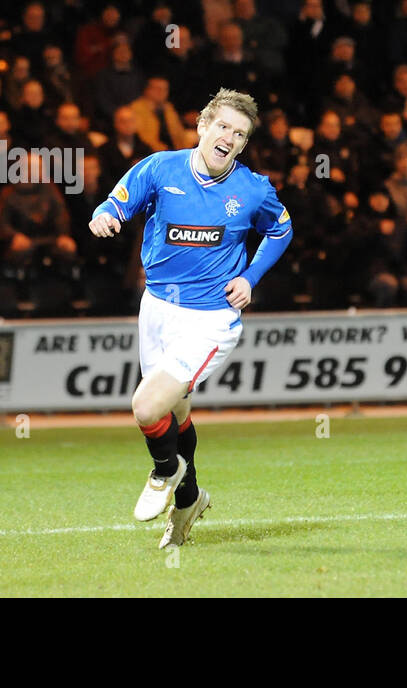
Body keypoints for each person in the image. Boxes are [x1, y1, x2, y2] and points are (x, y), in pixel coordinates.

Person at [88, 88, 293, 548]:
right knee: (175, 413)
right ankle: (190, 501)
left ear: (243, 144)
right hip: (157, 308)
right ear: (202, 126)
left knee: (146, 406)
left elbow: (282, 227)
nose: (229, 138)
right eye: (222, 126)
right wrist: (104, 216)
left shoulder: (253, 189)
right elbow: (116, 202)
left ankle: (165, 472)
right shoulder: (161, 167)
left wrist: (252, 276)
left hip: (211, 319)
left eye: (239, 134)